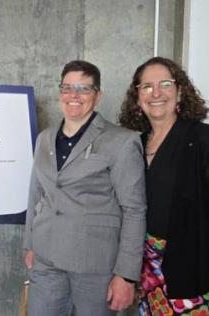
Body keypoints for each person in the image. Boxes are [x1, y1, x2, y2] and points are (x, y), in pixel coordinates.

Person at [23, 60, 147, 315]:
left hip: (95, 264)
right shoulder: (44, 138)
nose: (74, 96)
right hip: (46, 258)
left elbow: (134, 210)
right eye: (67, 88)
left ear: (98, 95)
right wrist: (30, 243)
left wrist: (126, 275)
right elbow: (36, 194)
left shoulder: (122, 141)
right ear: (60, 93)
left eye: (83, 88)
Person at [119, 57, 209, 315]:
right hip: (145, 270)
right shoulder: (134, 144)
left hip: (191, 267)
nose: (156, 93)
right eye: (146, 86)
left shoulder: (202, 140)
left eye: (165, 84)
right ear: (137, 97)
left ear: (180, 92)